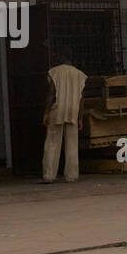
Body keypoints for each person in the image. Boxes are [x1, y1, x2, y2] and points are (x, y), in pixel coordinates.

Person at [41, 48, 88, 183]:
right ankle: (72, 175)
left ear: (61, 57)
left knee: (52, 143)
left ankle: (49, 175)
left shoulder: (54, 72)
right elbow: (82, 98)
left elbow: (51, 93)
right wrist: (80, 118)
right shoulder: (80, 75)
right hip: (73, 110)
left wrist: (46, 112)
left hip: (58, 110)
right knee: (72, 144)